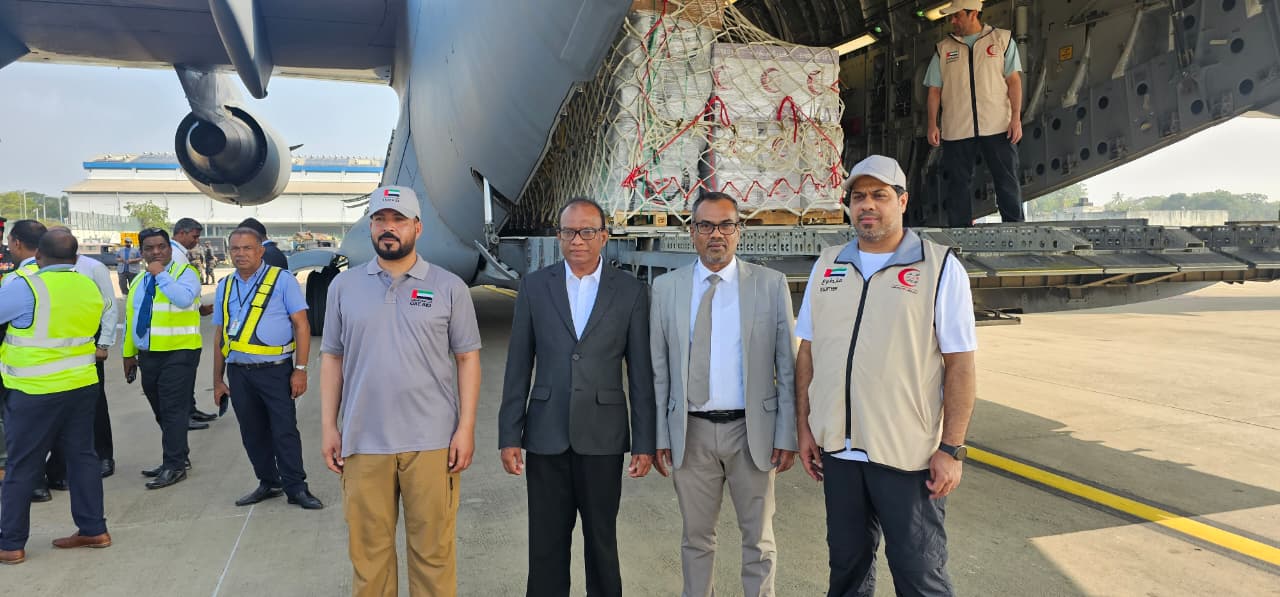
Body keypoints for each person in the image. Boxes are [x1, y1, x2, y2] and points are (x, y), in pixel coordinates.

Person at [794, 155, 977, 597]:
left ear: (903, 201)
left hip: (907, 458)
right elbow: (809, 352)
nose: (868, 205)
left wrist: (951, 448)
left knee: (920, 576)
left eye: (879, 195)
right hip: (839, 453)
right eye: (858, 197)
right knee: (847, 572)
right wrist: (804, 427)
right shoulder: (829, 265)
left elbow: (960, 364)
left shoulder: (939, 267)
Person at [320, 186, 481, 596]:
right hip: (363, 441)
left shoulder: (448, 287)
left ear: (417, 227)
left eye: (398, 220)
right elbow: (332, 358)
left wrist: (465, 429)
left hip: (431, 443)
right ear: (370, 226)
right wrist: (329, 427)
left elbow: (467, 359)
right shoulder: (344, 287)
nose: (388, 228)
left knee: (433, 556)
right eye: (380, 220)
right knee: (369, 559)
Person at [499, 198, 655, 597]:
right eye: (569, 232)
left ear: (604, 236)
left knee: (602, 542)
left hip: (603, 437)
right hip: (545, 435)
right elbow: (518, 365)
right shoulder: (535, 287)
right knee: (546, 545)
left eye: (587, 231)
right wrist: (509, 435)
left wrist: (645, 442)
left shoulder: (631, 291)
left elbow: (640, 374)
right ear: (558, 236)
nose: (578, 240)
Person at [649, 192, 798, 596]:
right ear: (692, 232)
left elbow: (787, 367)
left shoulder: (769, 285)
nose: (716, 234)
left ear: (738, 231)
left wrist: (787, 435)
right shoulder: (666, 289)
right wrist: (661, 435)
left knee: (759, 542)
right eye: (706, 225)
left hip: (752, 432)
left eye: (726, 225)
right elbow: (659, 371)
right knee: (696, 540)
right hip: (691, 433)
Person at [0, 229, 111, 565]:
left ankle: (11, 544)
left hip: (34, 391)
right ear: (75, 258)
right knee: (83, 458)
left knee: (22, 465)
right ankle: (94, 529)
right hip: (81, 386)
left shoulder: (26, 286)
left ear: (37, 256)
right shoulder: (88, 285)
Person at [212, 227, 322, 510]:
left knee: (284, 430)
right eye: (235, 249)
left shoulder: (282, 280)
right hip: (239, 373)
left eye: (247, 248)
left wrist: (300, 369)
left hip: (275, 371)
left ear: (261, 250)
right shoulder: (225, 285)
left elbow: (302, 325)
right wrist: (218, 380)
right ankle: (269, 482)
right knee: (252, 432)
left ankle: (296, 488)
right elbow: (220, 334)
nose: (241, 254)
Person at [925, 0, 1025, 226]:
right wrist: (932, 124)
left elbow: (1014, 82)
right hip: (957, 128)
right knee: (958, 184)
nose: (952, 21)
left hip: (998, 125)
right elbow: (934, 91)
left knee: (1006, 179)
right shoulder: (943, 48)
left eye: (957, 16)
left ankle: (1014, 228)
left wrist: (1016, 118)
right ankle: (959, 232)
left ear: (973, 14)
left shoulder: (1002, 40)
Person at [122, 227, 204, 490]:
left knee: (173, 409)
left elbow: (183, 300)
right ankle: (178, 455)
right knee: (160, 409)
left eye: (161, 247)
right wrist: (128, 353)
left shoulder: (186, 273)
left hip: (180, 351)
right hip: (149, 355)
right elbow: (132, 317)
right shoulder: (139, 280)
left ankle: (174, 464)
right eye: (149, 248)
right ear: (142, 251)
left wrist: (161, 274)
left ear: (170, 248)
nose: (156, 252)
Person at [43, 226, 119, 487]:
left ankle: (104, 456)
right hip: (54, 348)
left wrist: (104, 343)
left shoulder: (93, 268)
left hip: (88, 343)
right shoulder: (39, 268)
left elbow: (109, 306)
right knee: (59, 406)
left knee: (94, 403)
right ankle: (60, 464)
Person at [170, 217, 217, 425]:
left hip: (187, 326)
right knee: (181, 378)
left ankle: (190, 409)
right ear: (181, 233)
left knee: (188, 376)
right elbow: (179, 293)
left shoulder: (179, 253)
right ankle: (185, 416)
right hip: (178, 331)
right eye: (194, 236)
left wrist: (198, 308)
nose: (196, 241)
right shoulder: (175, 256)